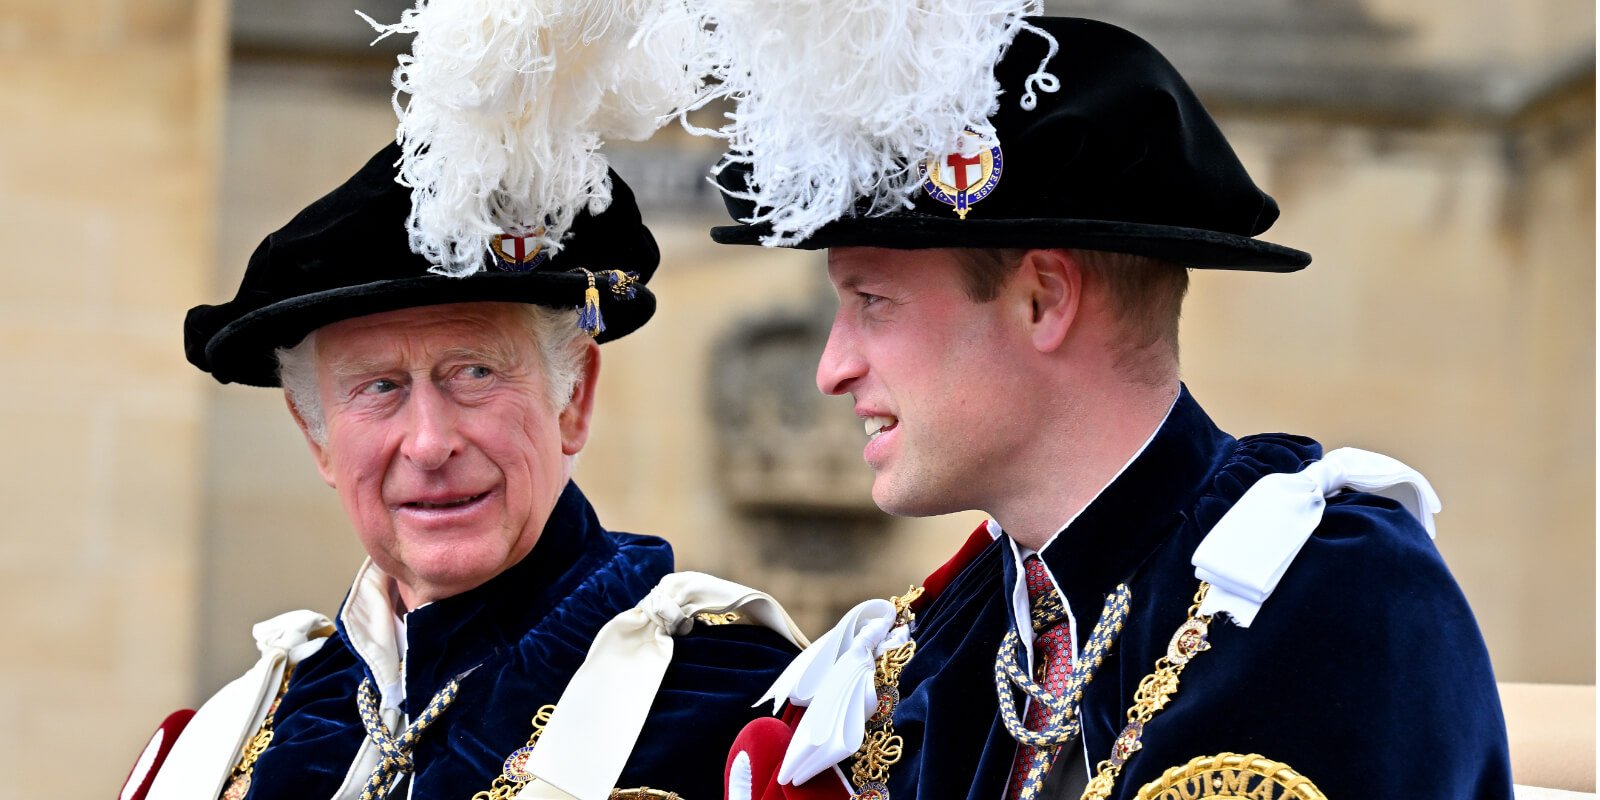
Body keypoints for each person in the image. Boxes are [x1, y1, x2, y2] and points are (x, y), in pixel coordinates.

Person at [694, 13, 1513, 800]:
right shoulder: (946, 645)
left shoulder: (1334, 608)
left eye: (872, 301)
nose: (831, 368)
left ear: (1043, 301)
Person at [116, 139, 808, 800]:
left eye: (474, 372)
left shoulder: (733, 700)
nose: (428, 441)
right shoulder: (238, 738)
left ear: (573, 399)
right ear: (317, 437)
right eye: (378, 387)